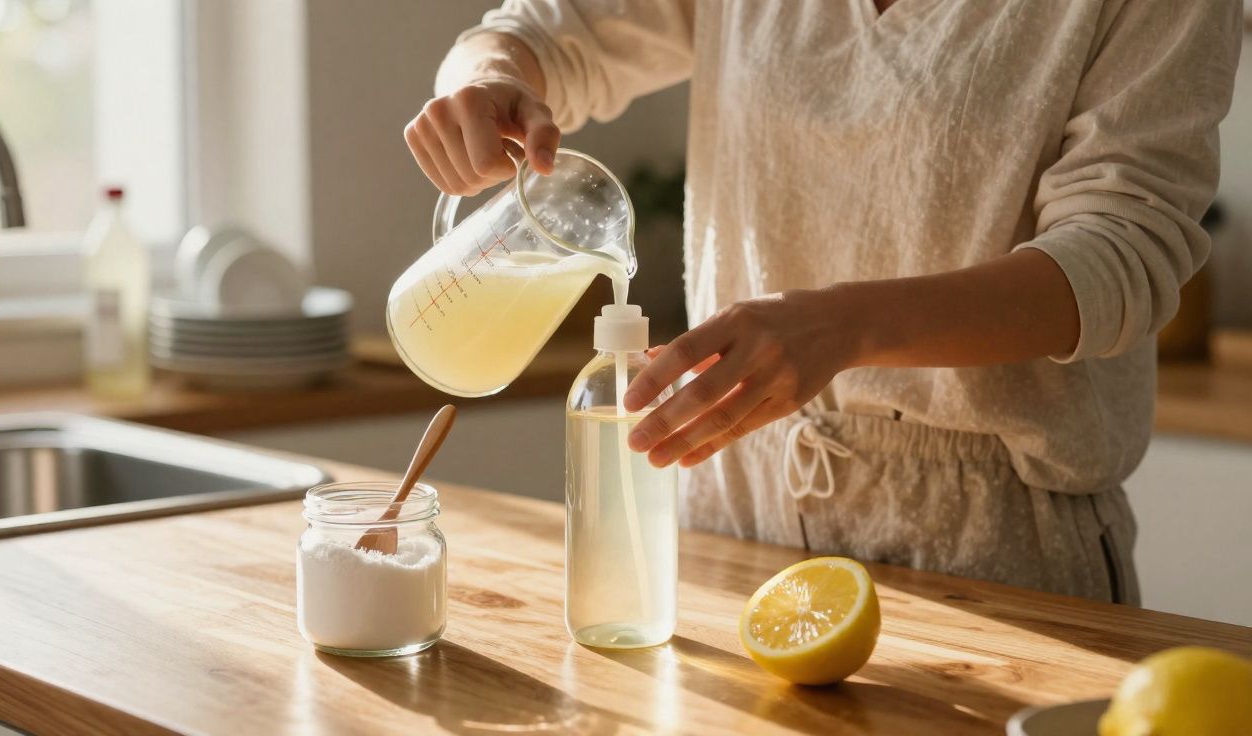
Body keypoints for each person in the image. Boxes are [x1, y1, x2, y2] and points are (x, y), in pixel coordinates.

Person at [405, 0, 1241, 603]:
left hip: (996, 557)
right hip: (723, 531)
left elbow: (1123, 256)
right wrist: (486, 80)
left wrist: (842, 326)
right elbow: (546, 33)